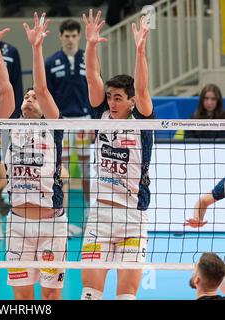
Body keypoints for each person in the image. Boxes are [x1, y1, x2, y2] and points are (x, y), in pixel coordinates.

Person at [0, 10, 68, 300]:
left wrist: (36, 47)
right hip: (17, 224)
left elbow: (41, 87)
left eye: (34, 98)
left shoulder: (54, 128)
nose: (30, 98)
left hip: (52, 224)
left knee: (52, 297)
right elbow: (5, 88)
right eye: (26, 97)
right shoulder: (8, 130)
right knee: (22, 299)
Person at [80, 10, 154, 300]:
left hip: (132, 218)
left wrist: (139, 50)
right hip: (99, 215)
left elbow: (144, 87)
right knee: (90, 294)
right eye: (110, 96)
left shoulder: (144, 123)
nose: (111, 102)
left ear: (131, 101)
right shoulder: (102, 117)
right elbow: (91, 78)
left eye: (118, 97)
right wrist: (92, 44)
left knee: (126, 296)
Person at [45, 19, 92, 230]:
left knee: (86, 170)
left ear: (79, 36)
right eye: (67, 36)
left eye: (74, 36)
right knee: (60, 170)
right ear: (60, 37)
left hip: (84, 122)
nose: (71, 39)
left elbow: (96, 93)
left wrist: (96, 123)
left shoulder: (89, 59)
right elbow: (45, 95)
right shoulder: (51, 62)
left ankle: (90, 213)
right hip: (61, 123)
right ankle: (60, 217)